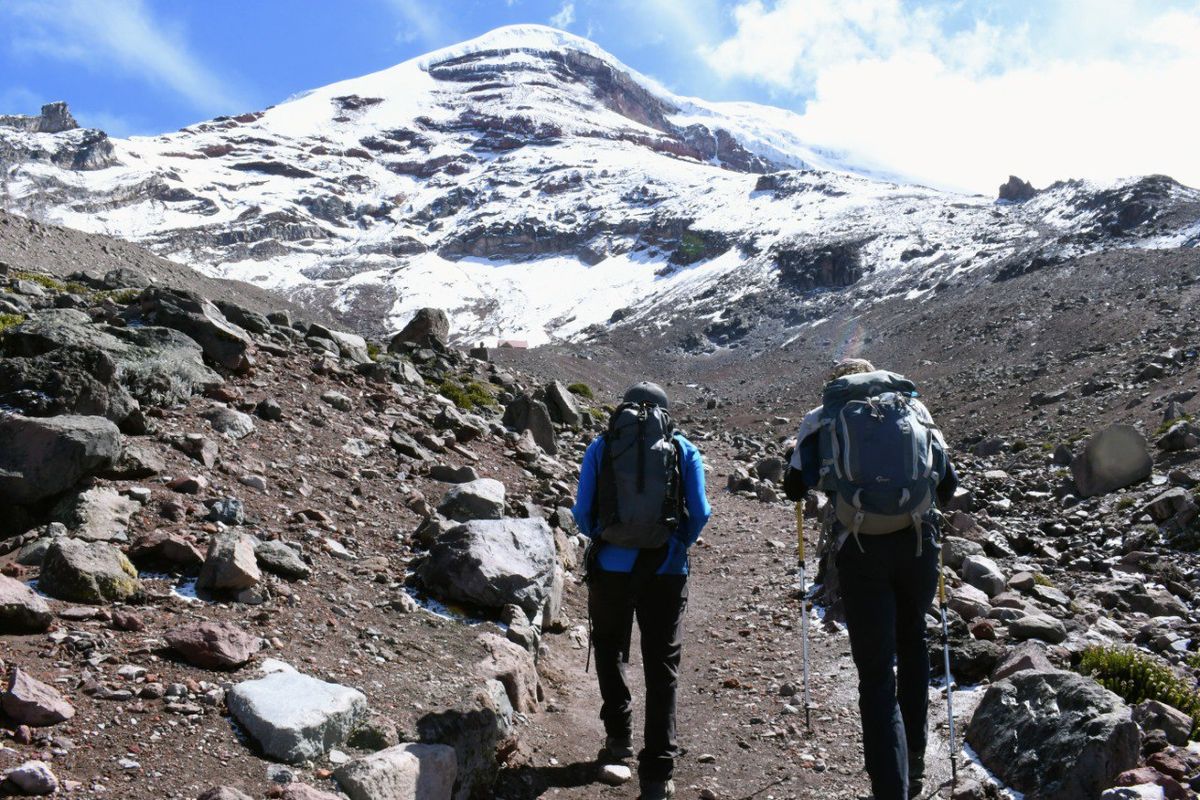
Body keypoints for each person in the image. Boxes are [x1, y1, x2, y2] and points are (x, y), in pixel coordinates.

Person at [784, 359, 958, 800]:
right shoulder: (913, 410)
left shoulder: (823, 416)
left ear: (837, 384)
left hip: (860, 548)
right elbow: (947, 485)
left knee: (876, 672)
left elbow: (792, 486)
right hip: (918, 545)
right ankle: (915, 764)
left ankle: (889, 788)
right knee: (913, 643)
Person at [572, 381, 712, 800]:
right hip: (665, 570)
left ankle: (619, 739)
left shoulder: (602, 445)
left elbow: (581, 512)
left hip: (611, 568)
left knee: (611, 648)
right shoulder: (682, 447)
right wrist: (675, 545)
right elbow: (701, 511)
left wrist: (605, 536)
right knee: (662, 666)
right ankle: (657, 775)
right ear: (666, 413)